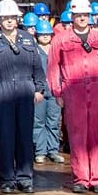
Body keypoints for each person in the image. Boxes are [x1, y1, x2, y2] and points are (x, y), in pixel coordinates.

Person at [46, 0, 98, 194]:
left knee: (97, 135)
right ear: (72, 16)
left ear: (90, 16)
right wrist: (57, 91)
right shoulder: (61, 40)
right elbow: (53, 67)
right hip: (73, 90)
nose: (82, 18)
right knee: (77, 135)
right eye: (78, 15)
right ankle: (81, 178)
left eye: (85, 15)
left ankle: (97, 178)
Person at [0, 0, 46, 194]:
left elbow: (37, 66)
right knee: (6, 136)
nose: (9, 21)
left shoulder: (27, 39)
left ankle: (25, 177)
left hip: (26, 90)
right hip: (2, 91)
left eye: (12, 18)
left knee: (25, 136)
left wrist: (39, 88)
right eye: (5, 18)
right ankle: (7, 178)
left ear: (17, 19)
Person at [30, 17, 64, 164]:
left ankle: (53, 150)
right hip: (39, 91)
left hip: (55, 90)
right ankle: (40, 151)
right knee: (38, 122)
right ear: (37, 35)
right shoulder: (33, 51)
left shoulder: (56, 50)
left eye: (47, 34)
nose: (45, 36)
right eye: (42, 34)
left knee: (54, 121)